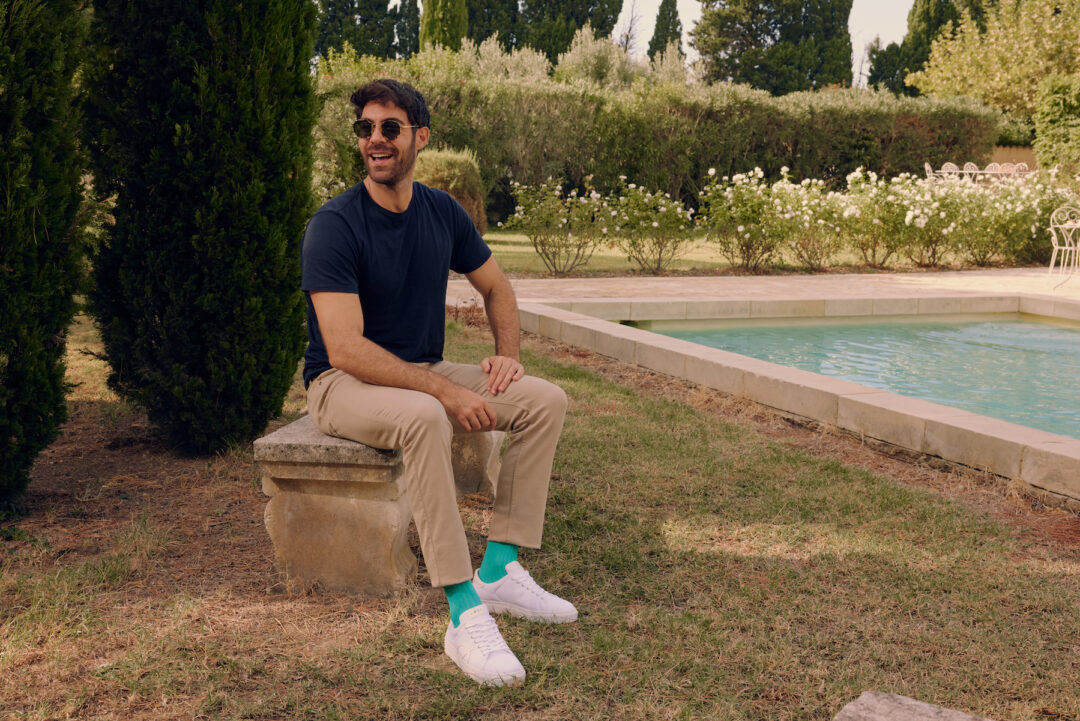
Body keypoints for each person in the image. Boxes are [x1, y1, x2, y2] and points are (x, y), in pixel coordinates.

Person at [300, 78, 575, 687]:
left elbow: (497, 287)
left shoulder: (441, 211)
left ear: (419, 137)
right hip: (340, 383)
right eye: (366, 128)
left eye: (390, 128)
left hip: (419, 371)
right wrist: (443, 392)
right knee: (425, 415)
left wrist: (508, 357)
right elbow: (343, 347)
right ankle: (462, 612)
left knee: (544, 401)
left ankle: (499, 571)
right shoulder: (335, 225)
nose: (376, 139)